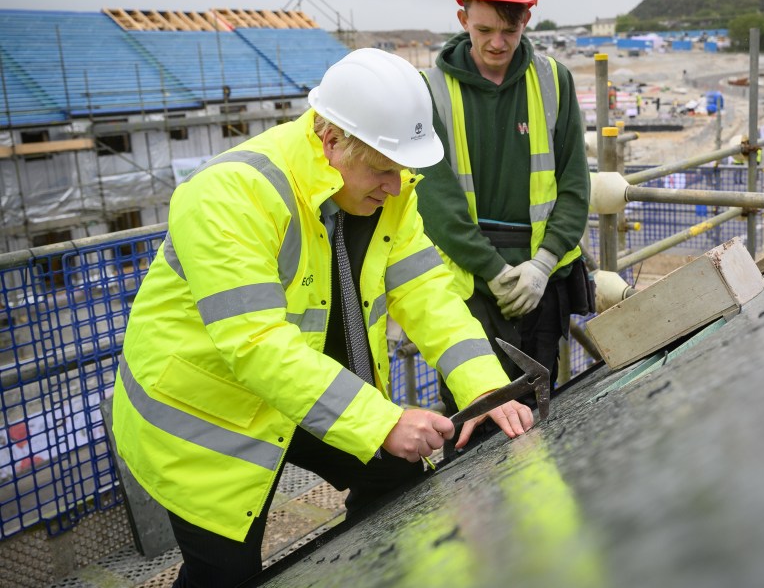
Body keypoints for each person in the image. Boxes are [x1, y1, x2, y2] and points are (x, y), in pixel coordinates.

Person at [110, 48, 533, 588]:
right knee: (226, 573)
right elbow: (257, 343)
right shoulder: (230, 195)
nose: (396, 187)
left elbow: (428, 292)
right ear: (331, 141)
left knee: (397, 477)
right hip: (205, 419)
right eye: (384, 171)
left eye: (404, 171)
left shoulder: (385, 193)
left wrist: (484, 387)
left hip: (302, 388)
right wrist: (381, 421)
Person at [417, 0, 593, 421]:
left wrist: (543, 263)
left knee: (538, 414)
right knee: (473, 419)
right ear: (462, 18)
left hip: (542, 284)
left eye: (509, 31)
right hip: (471, 288)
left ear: (526, 20)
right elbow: (435, 200)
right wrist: (493, 270)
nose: (497, 43)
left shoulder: (553, 81)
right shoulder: (430, 91)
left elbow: (574, 184)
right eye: (484, 29)